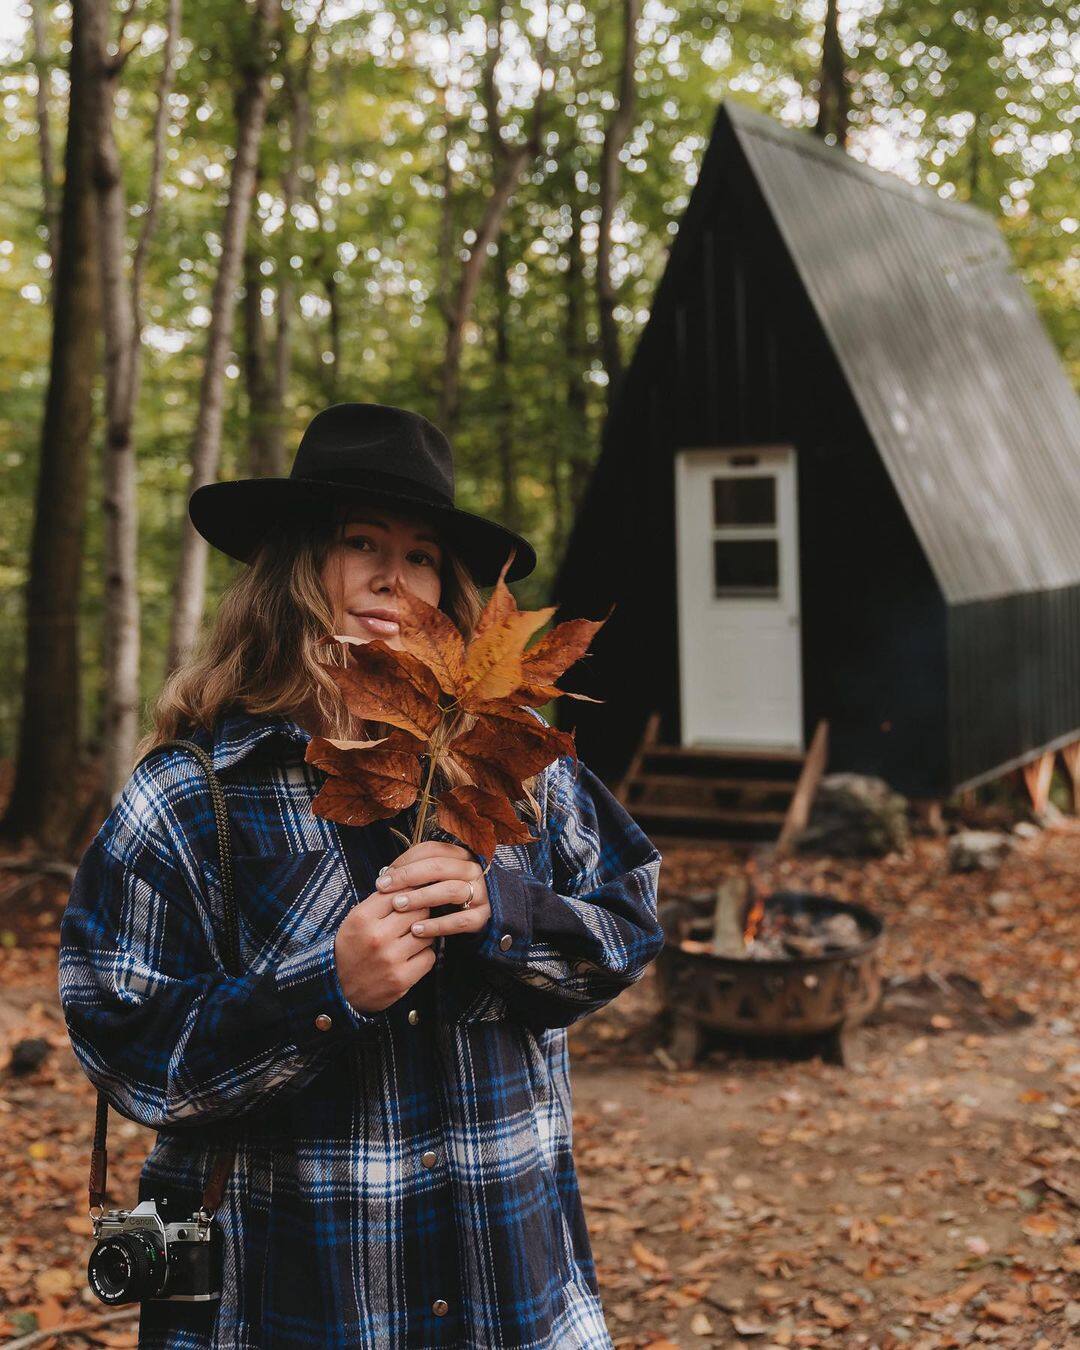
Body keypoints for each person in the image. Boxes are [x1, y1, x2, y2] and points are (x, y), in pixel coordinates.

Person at [58, 403, 665, 1349]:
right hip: (298, 1306)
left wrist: (504, 913)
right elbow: (118, 1032)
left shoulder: (515, 767)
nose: (393, 575)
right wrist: (322, 992)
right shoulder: (193, 793)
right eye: (360, 542)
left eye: (421, 555)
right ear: (296, 567)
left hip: (509, 1297)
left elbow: (628, 922)